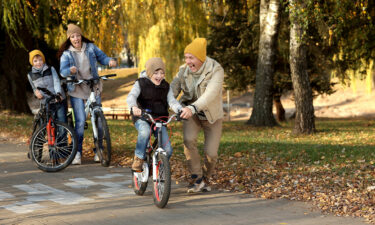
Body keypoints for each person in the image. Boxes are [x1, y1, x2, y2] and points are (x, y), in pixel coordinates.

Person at [170, 37, 224, 193]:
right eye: (186, 57)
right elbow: (172, 90)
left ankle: (206, 178)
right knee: (188, 140)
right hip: (190, 114)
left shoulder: (216, 69)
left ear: (200, 57)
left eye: (191, 57)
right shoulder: (183, 71)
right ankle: (197, 178)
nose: (187, 61)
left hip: (211, 115)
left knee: (211, 153)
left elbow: (210, 95)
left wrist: (193, 108)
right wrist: (172, 104)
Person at [58, 23, 117, 165]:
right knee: (80, 122)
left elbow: (102, 57)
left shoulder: (90, 47)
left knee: (98, 119)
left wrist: (109, 61)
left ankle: (99, 151)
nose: (76, 38)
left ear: (81, 36)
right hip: (77, 87)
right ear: (69, 39)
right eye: (72, 36)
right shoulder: (67, 53)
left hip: (93, 85)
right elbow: (62, 71)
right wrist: (69, 71)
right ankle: (77, 152)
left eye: (78, 35)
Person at [126, 57, 189, 171]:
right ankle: (139, 158)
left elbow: (172, 101)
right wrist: (134, 107)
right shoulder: (141, 83)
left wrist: (180, 110)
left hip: (159, 119)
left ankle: (155, 168)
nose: (159, 76)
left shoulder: (166, 86)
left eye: (162, 73)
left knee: (168, 150)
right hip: (143, 117)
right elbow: (131, 96)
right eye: (156, 73)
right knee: (145, 132)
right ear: (150, 72)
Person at [28, 49, 67, 123]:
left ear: (43, 59)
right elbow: (34, 88)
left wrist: (58, 94)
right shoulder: (30, 75)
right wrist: (35, 92)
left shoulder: (51, 69)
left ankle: (63, 134)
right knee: (50, 125)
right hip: (46, 103)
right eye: (35, 61)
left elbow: (56, 81)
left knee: (62, 123)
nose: (38, 62)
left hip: (58, 99)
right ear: (32, 63)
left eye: (40, 60)